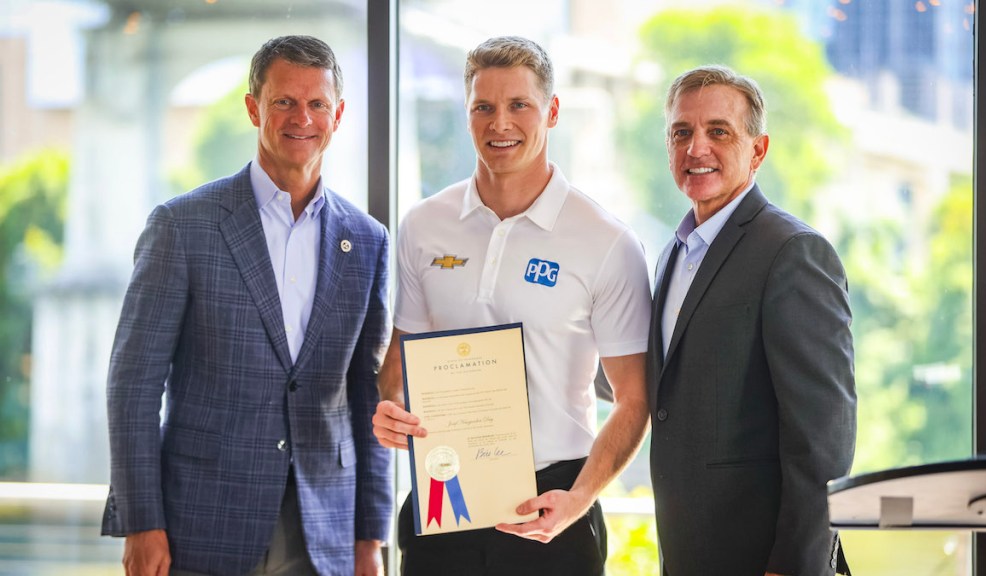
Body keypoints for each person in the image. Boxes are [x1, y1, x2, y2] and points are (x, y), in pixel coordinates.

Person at [102, 35, 392, 576]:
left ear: (339, 114)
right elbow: (133, 385)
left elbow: (365, 395)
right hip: (201, 522)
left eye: (317, 104)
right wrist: (142, 523)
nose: (301, 117)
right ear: (254, 106)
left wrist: (369, 536)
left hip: (323, 529)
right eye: (284, 101)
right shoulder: (182, 226)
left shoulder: (368, 239)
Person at [371, 36, 651, 576]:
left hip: (555, 507)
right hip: (442, 497)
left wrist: (580, 497)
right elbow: (399, 366)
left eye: (518, 105)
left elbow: (634, 400)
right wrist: (389, 411)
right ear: (468, 112)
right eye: (484, 107)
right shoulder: (424, 225)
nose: (500, 123)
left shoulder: (606, 241)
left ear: (551, 110)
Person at [648, 64, 856, 576]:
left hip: (764, 558)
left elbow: (822, 439)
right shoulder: (672, 255)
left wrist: (793, 563)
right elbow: (669, 387)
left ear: (757, 150)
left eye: (718, 131)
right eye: (682, 133)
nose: (696, 148)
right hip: (688, 552)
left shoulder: (793, 252)